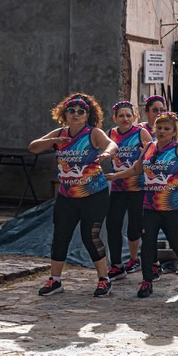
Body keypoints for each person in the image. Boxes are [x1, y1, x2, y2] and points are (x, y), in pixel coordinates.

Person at [105, 112, 178, 297]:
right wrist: (115, 176)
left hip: (173, 207)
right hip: (150, 206)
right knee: (148, 244)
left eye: (166, 129)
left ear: (174, 131)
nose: (162, 131)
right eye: (159, 128)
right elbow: (136, 169)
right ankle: (147, 281)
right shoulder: (149, 147)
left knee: (177, 243)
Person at [30, 93, 118, 297]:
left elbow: (112, 144)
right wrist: (53, 140)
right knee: (60, 236)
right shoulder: (60, 133)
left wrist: (106, 153)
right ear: (65, 114)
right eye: (71, 111)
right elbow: (33, 147)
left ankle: (104, 279)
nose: (76, 114)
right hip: (67, 196)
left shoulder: (93, 133)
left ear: (87, 115)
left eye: (81, 111)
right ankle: (55, 280)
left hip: (94, 195)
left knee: (90, 236)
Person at [105, 101, 151, 279]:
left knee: (135, 226)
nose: (125, 119)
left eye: (128, 115)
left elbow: (154, 155)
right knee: (112, 224)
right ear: (115, 118)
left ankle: (136, 259)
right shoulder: (110, 134)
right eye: (121, 116)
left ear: (135, 117)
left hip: (138, 187)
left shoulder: (141, 133)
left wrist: (146, 154)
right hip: (118, 187)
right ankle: (116, 265)